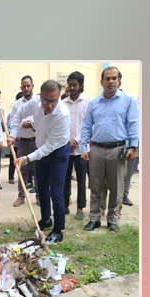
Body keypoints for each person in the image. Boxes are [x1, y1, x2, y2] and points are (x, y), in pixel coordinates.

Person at [10, 80, 71, 244]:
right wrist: (13, 133)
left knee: (56, 191)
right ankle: (45, 220)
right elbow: (18, 114)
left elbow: (50, 146)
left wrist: (27, 158)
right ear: (40, 96)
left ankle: (58, 230)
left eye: (53, 101)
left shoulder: (62, 115)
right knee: (41, 187)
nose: (49, 105)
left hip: (58, 152)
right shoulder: (35, 103)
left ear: (58, 98)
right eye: (46, 100)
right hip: (41, 149)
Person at [80, 66, 138, 232]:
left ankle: (112, 220)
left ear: (119, 81)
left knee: (115, 187)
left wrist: (133, 147)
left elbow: (133, 124)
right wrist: (84, 147)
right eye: (108, 78)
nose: (111, 81)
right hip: (96, 150)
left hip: (118, 150)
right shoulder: (94, 103)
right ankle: (94, 219)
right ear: (102, 82)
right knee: (95, 186)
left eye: (114, 78)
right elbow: (86, 126)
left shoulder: (128, 100)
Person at [62, 71, 91, 220]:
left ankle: (80, 208)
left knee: (81, 179)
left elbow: (88, 125)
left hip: (82, 149)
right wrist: (68, 140)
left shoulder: (87, 102)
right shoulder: (63, 103)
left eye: (75, 85)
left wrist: (77, 140)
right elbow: (61, 125)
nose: (72, 87)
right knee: (65, 177)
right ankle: (65, 206)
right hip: (66, 147)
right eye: (70, 84)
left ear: (81, 85)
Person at [11, 76, 38, 207]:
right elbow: (13, 122)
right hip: (23, 141)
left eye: (28, 85)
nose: (26, 88)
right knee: (22, 169)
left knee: (38, 169)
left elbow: (43, 119)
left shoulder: (39, 101)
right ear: (21, 88)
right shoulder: (17, 104)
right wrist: (23, 123)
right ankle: (21, 197)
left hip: (37, 140)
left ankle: (39, 196)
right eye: (24, 86)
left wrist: (32, 123)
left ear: (32, 85)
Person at [7, 92, 25, 184]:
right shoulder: (11, 115)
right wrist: (14, 135)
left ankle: (22, 178)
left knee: (23, 160)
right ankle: (11, 177)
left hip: (24, 140)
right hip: (14, 142)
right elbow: (9, 127)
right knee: (12, 160)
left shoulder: (26, 113)